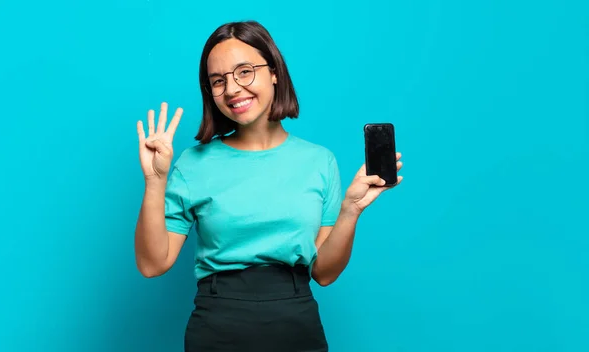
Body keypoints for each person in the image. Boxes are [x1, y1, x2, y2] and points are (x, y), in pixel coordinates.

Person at [134, 20, 403, 352]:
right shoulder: (193, 163)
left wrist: (351, 211)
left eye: (244, 71)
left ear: (274, 71)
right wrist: (155, 180)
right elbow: (152, 264)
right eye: (218, 81)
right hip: (217, 326)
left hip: (296, 322)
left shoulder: (319, 161)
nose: (232, 89)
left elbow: (324, 273)